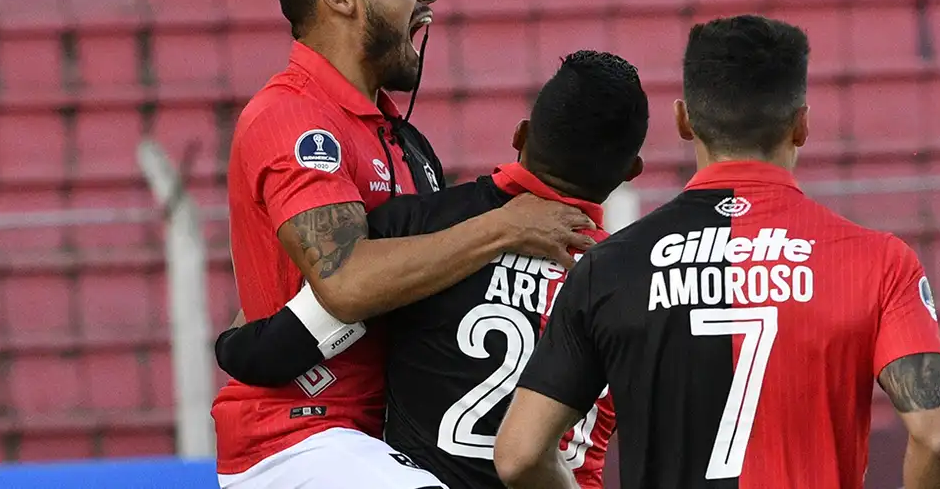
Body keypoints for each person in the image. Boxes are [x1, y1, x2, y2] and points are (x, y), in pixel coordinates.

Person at [494, 15, 940, 489]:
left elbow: (521, 456)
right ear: (801, 124)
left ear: (683, 120)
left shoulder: (609, 268)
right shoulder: (878, 262)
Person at [212, 0, 597, 489]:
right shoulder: (292, 117)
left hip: (381, 442)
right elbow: (345, 282)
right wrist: (505, 226)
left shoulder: (398, 137)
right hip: (298, 437)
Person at [215, 50, 650, 489]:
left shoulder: (419, 234)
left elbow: (268, 353)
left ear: (520, 135)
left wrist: (231, 342)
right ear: (631, 171)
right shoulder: (638, 287)